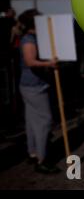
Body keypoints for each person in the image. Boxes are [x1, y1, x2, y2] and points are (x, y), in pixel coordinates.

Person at [18, 9, 59, 174]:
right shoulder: (29, 39)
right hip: (34, 87)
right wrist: (49, 64)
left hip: (30, 86)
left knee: (32, 121)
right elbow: (30, 61)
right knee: (45, 121)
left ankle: (33, 153)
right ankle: (42, 160)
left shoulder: (31, 37)